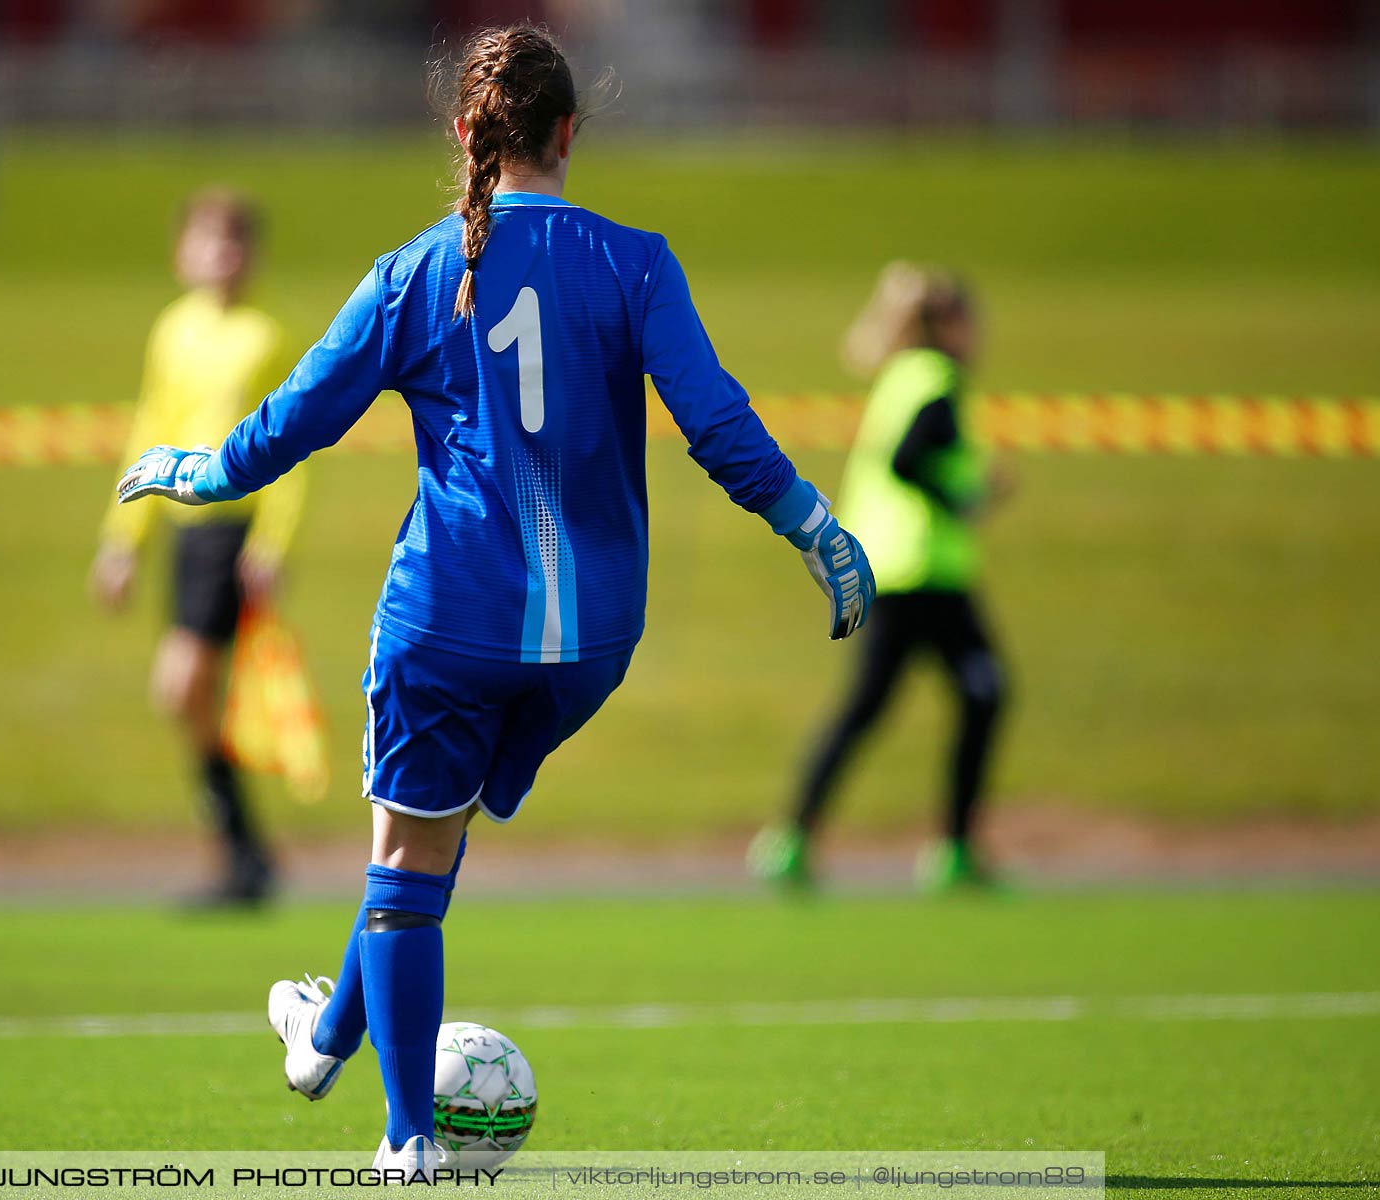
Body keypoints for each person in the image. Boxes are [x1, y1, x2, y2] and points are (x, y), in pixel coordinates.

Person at [115, 24, 874, 1171]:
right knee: (427, 839)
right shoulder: (637, 261)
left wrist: (192, 471)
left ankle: (408, 1139)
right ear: (573, 133)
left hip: (451, 621)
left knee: (405, 870)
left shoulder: (417, 270)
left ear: (465, 135)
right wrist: (817, 530)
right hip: (592, 643)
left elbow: (286, 428)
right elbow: (718, 427)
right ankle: (323, 1037)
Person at [748, 263, 1010, 894]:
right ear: (949, 324)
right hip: (922, 575)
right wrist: (968, 495)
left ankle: (794, 838)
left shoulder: (901, 377)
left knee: (872, 708)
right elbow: (908, 461)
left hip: (896, 573)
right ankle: (952, 850)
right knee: (982, 695)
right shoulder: (935, 380)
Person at [90, 190, 304, 907]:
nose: (223, 256)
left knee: (183, 687)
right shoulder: (172, 330)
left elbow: (293, 446)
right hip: (183, 531)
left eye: (236, 243)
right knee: (186, 696)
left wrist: (273, 541)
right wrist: (123, 542)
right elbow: (153, 425)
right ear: (183, 251)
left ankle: (242, 853)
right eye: (210, 241)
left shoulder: (266, 335)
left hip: (231, 529)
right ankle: (245, 854)